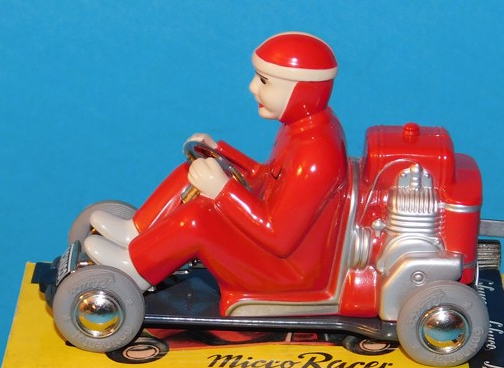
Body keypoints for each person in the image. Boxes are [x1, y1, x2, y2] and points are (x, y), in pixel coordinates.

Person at [82, 32, 349, 312]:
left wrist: (222, 190)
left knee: (200, 217)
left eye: (264, 81)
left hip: (288, 274)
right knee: (191, 171)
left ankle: (134, 269)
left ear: (302, 90)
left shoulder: (316, 155)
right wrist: (220, 152)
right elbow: (266, 179)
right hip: (280, 255)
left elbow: (279, 238)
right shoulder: (302, 131)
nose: (252, 87)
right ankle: (135, 233)